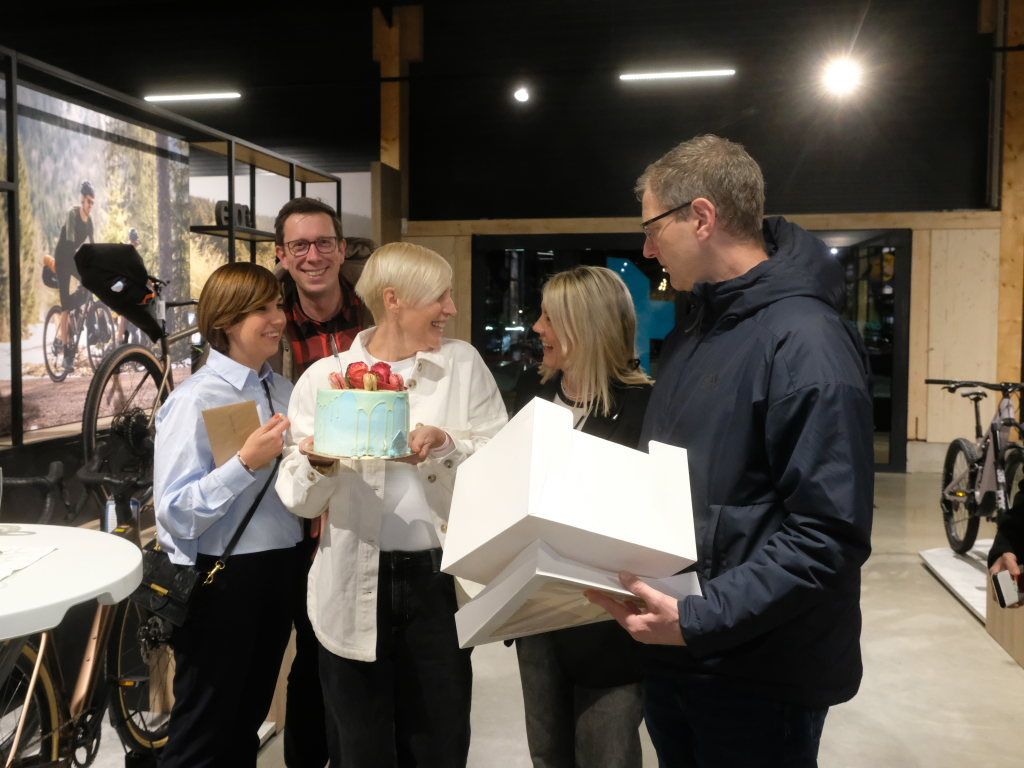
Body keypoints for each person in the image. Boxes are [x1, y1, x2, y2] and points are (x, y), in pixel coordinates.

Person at [586, 134, 874, 767]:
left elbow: (828, 534)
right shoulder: (696, 330)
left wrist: (700, 616)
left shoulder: (806, 341)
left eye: (652, 228)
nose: (647, 248)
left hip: (760, 673)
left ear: (702, 216)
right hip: (683, 653)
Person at [275, 242, 508, 767]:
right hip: (351, 579)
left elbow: (500, 458)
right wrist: (320, 463)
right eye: (439, 297)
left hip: (439, 582)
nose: (451, 308)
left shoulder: (462, 365)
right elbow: (298, 500)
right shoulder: (327, 378)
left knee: (440, 742)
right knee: (360, 747)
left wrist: (446, 445)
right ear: (394, 299)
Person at [153, 262, 299, 767]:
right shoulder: (194, 398)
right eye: (262, 309)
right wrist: (243, 465)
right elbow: (174, 512)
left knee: (245, 723)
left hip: (281, 569)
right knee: (202, 733)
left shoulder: (283, 391)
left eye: (278, 305)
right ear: (227, 320)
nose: (277, 318)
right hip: (221, 579)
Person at [513, 265, 653, 768]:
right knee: (547, 756)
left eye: (550, 318)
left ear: (586, 326)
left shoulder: (646, 407)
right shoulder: (530, 394)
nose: (537, 328)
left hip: (607, 624)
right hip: (536, 617)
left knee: (605, 757)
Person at [273, 197, 370, 768]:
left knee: (363, 665)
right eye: (300, 246)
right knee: (310, 663)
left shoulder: (376, 314)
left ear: (342, 248)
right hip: (295, 524)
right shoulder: (268, 325)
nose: (314, 256)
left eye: (324, 243)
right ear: (282, 255)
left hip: (363, 519)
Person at [53, 180, 96, 369]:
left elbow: (93, 247)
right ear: (82, 199)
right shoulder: (72, 214)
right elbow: (70, 244)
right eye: (88, 201)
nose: (90, 205)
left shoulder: (90, 222)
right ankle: (65, 352)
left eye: (93, 202)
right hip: (63, 259)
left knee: (89, 283)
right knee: (65, 307)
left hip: (73, 259)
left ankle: (88, 324)